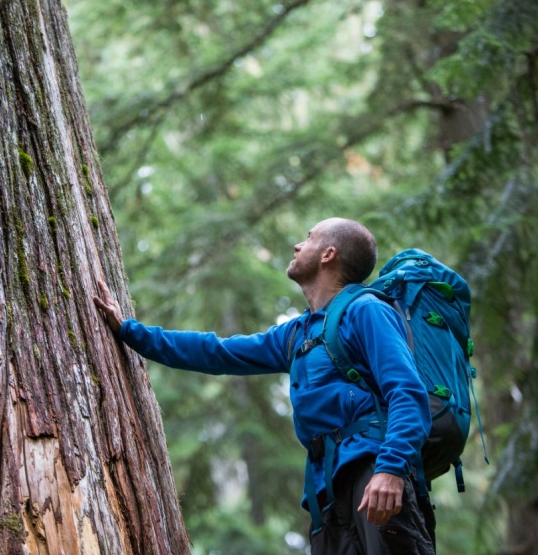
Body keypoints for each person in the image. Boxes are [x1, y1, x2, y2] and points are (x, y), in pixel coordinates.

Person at [93, 218, 435, 555]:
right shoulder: (298, 333)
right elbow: (218, 352)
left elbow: (407, 392)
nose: (298, 245)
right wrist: (129, 331)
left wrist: (390, 469)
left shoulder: (367, 311)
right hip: (326, 491)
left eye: (309, 238)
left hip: (372, 471)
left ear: (328, 254)